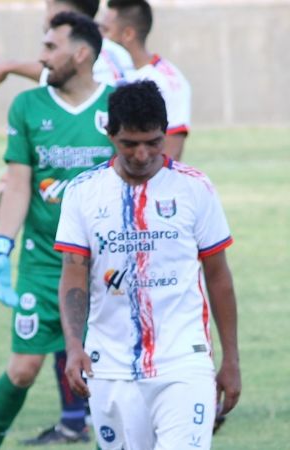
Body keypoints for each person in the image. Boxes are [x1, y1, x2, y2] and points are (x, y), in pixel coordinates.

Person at [54, 80, 241, 449]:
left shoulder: (194, 187)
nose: (142, 155)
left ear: (165, 133)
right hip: (109, 364)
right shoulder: (83, 191)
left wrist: (231, 359)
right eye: (130, 143)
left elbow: (219, 277)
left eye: (153, 142)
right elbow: (73, 274)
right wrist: (74, 345)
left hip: (184, 360)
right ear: (110, 134)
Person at [0, 12, 116, 449]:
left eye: (51, 47)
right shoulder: (27, 107)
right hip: (42, 263)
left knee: (107, 371)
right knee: (23, 369)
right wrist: (2, 246)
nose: (41, 56)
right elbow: (19, 183)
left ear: (82, 54)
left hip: (104, 266)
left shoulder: (116, 105)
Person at [100, 0, 191, 160]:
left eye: (106, 30)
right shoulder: (99, 72)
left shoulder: (168, 81)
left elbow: (170, 154)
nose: (101, 38)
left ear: (128, 34)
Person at [0, 0, 133, 94]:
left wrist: (11, 66)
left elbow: (59, 72)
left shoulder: (93, 61)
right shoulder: (116, 53)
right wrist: (11, 66)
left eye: (48, 6)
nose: (43, 58)